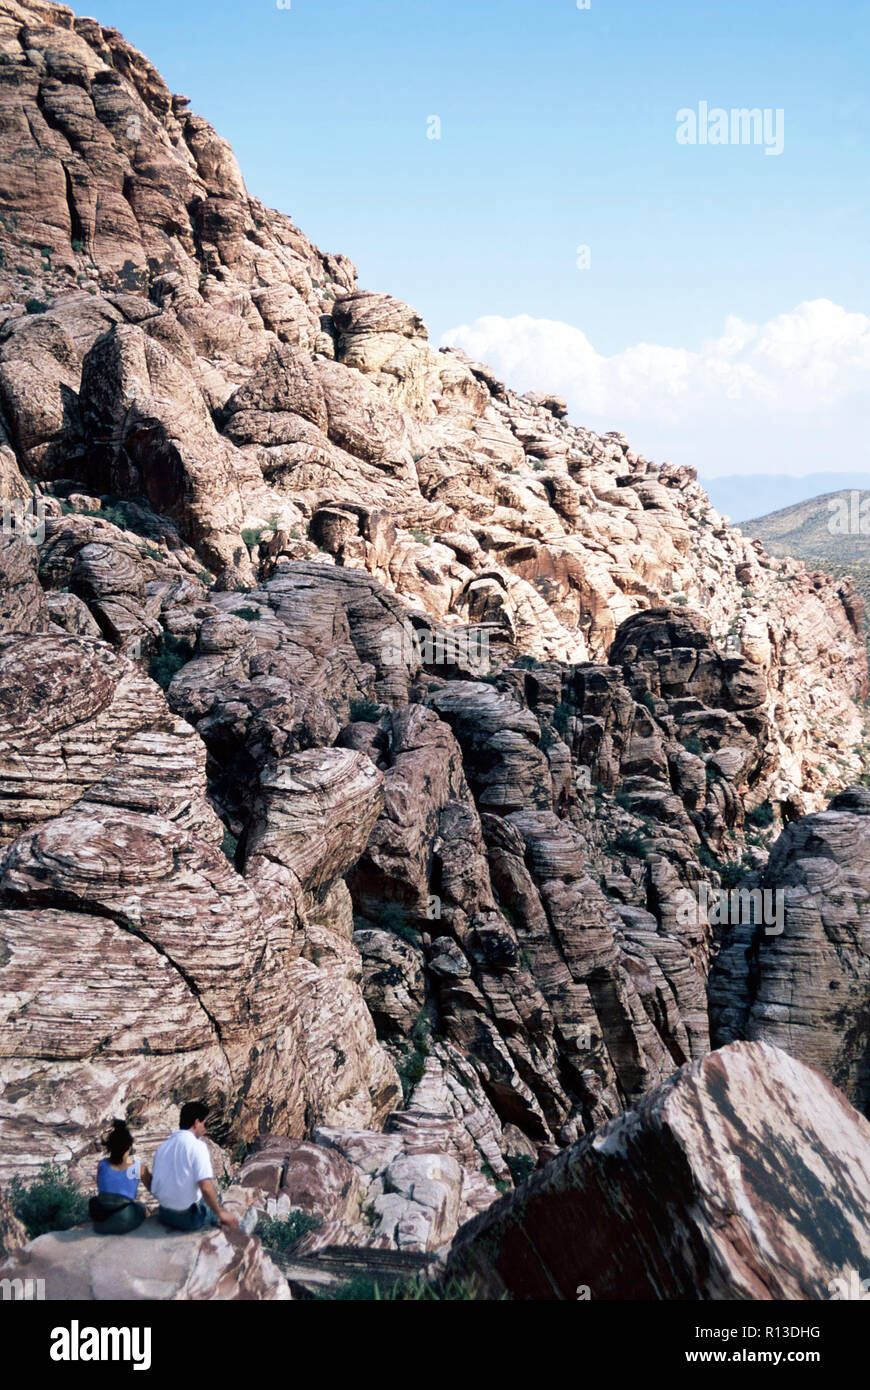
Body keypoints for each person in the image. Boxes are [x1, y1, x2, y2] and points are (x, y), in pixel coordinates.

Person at [151, 1101, 239, 1232]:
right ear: (197, 1122)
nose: (205, 1128)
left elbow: (155, 1186)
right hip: (188, 1218)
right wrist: (220, 1213)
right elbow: (205, 1187)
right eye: (205, 1123)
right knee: (214, 1197)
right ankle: (241, 1230)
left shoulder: (163, 1147)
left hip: (164, 1214)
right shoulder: (197, 1146)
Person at [89, 1119, 151, 1235]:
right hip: (124, 1221)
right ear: (129, 1148)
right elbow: (153, 1189)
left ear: (110, 1147)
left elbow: (102, 1190)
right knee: (142, 1208)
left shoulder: (102, 1164)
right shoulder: (137, 1166)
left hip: (101, 1224)